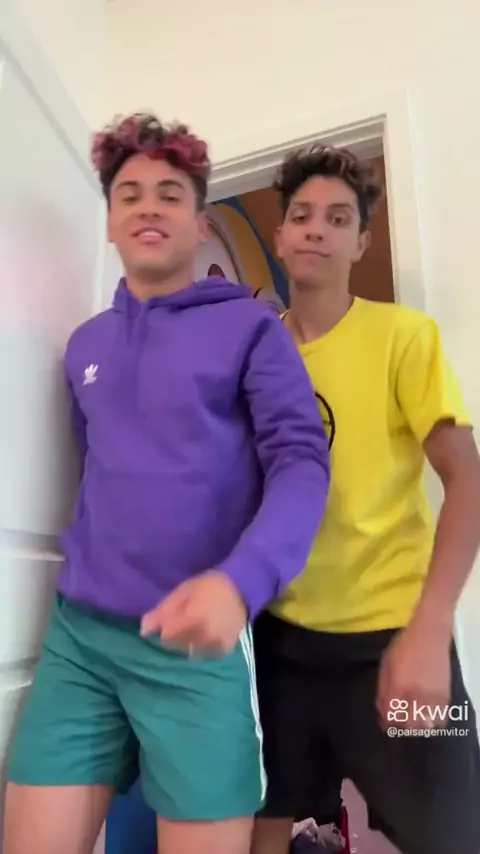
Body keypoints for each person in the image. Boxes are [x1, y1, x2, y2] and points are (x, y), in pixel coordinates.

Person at [3, 114, 331, 854]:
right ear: (110, 222)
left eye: (170, 194)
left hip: (194, 650)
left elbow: (302, 463)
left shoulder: (253, 329)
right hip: (79, 643)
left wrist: (240, 583)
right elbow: (97, 468)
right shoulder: (84, 345)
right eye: (130, 194)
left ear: (200, 219)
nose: (148, 206)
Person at [251, 144, 480, 854]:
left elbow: (467, 479)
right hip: (281, 646)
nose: (317, 229)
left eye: (338, 217)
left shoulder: (402, 336)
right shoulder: (252, 354)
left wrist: (430, 629)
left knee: (452, 835)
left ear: (362, 241)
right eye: (301, 216)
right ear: (281, 236)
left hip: (394, 637)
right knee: (262, 824)